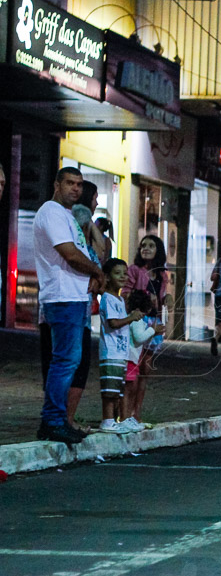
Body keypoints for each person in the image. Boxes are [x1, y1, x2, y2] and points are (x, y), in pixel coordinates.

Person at [33, 167, 105, 444]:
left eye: (79, 184)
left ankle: (57, 419)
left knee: (69, 360)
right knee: (65, 360)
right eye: (70, 183)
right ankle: (52, 420)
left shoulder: (67, 215)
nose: (75, 188)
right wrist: (97, 274)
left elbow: (84, 253)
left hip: (74, 298)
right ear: (56, 184)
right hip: (62, 297)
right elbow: (71, 254)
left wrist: (96, 275)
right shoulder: (51, 212)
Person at [124, 235, 172, 427]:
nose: (146, 248)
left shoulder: (162, 275)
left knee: (146, 370)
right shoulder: (134, 270)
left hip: (155, 322)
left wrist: (166, 298)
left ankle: (137, 413)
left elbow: (161, 297)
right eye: (143, 245)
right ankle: (126, 413)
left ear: (158, 250)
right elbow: (126, 294)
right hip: (139, 321)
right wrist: (145, 296)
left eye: (151, 246)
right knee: (134, 368)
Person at [97, 258, 144, 434]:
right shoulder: (108, 299)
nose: (123, 277)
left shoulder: (119, 299)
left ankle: (118, 419)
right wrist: (131, 317)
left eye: (125, 273)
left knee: (118, 387)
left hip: (120, 351)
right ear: (107, 277)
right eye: (118, 273)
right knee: (110, 389)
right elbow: (114, 323)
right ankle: (108, 420)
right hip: (111, 351)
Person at [124, 290, 165, 424]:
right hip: (130, 359)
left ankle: (127, 416)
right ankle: (125, 417)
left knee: (130, 388)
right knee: (129, 390)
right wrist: (153, 330)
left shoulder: (136, 319)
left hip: (132, 359)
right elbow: (139, 337)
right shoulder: (136, 320)